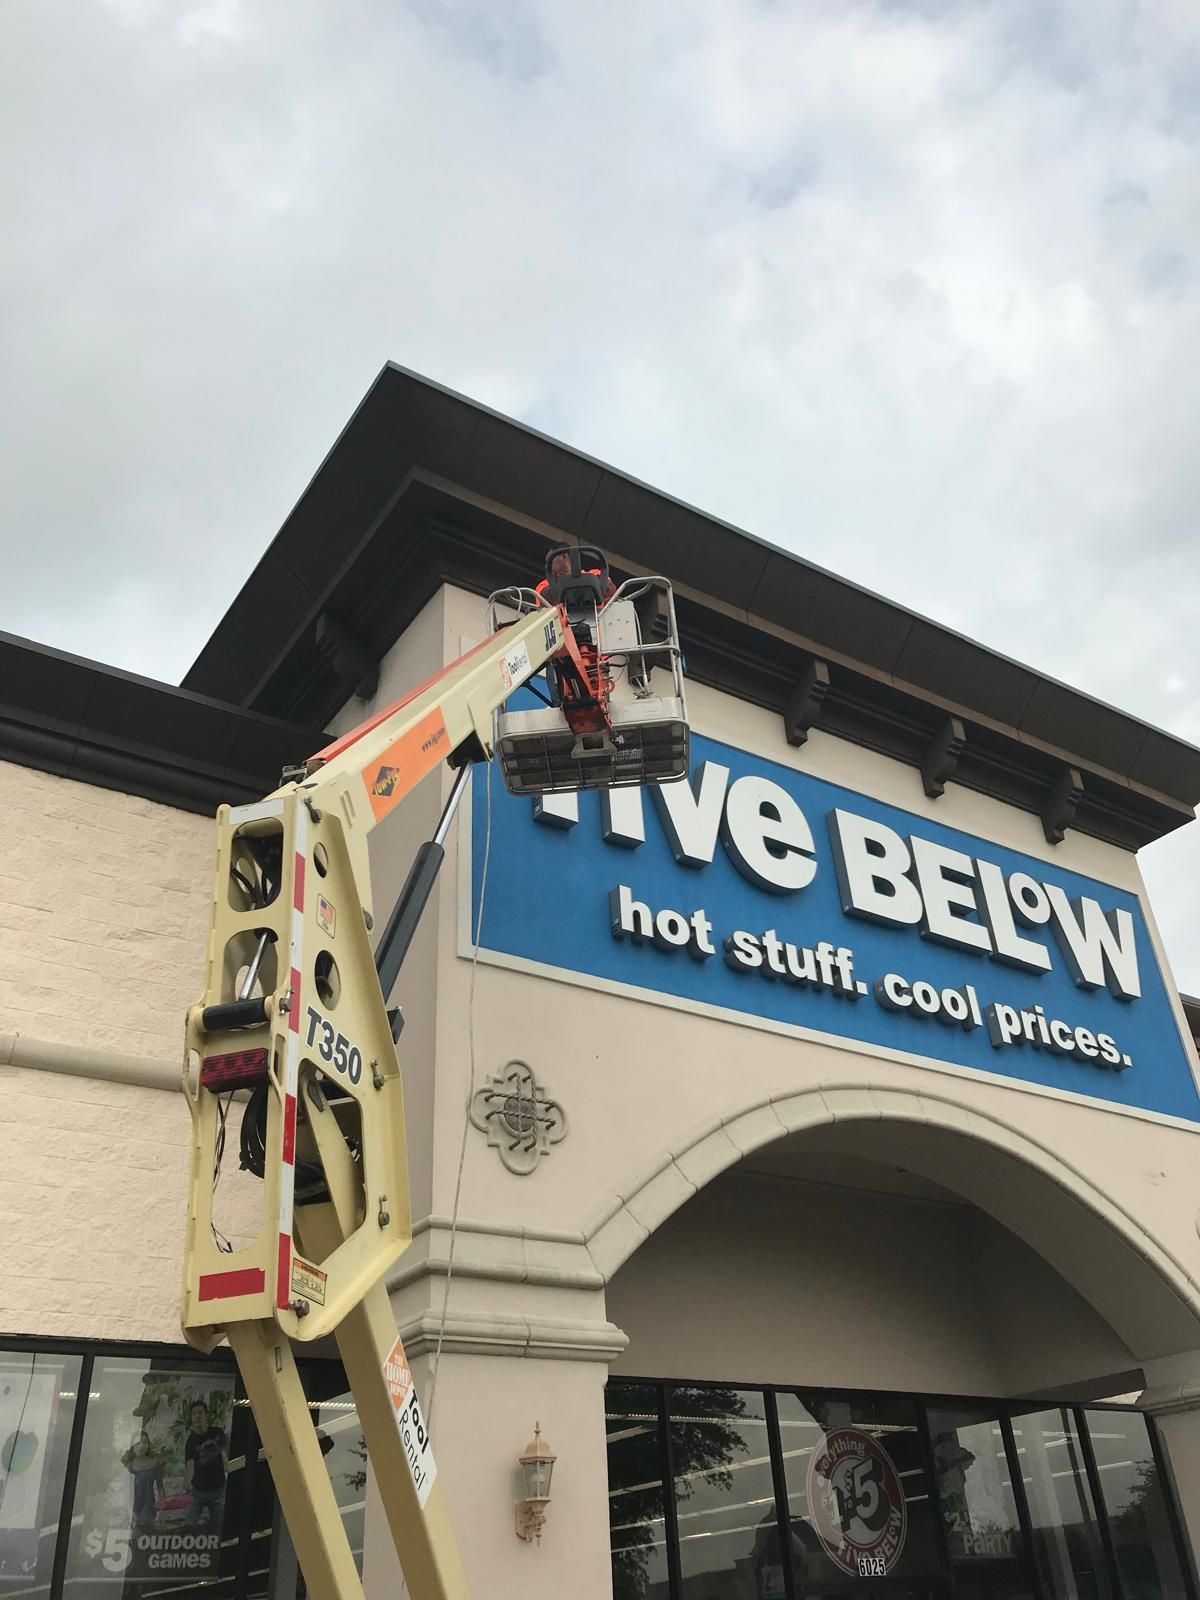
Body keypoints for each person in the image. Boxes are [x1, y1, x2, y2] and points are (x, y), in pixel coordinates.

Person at [183, 1402, 227, 1528]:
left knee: (218, 1526)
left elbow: (225, 1456)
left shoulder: (217, 1433)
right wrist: (187, 1485)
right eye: (194, 1413)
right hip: (198, 1491)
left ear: (206, 1415)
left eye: (200, 1412)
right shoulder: (191, 1441)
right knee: (189, 1525)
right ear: (191, 1417)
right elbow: (190, 1464)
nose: (197, 1416)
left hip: (218, 1490)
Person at [121, 1433, 164, 1530]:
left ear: (148, 1445)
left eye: (144, 1442)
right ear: (132, 1446)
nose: (141, 1446)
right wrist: (130, 1512)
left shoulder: (155, 1464)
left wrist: (161, 1506)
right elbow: (127, 1492)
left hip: (150, 1506)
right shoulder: (130, 1467)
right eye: (137, 1443)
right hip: (135, 1508)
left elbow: (160, 1487)